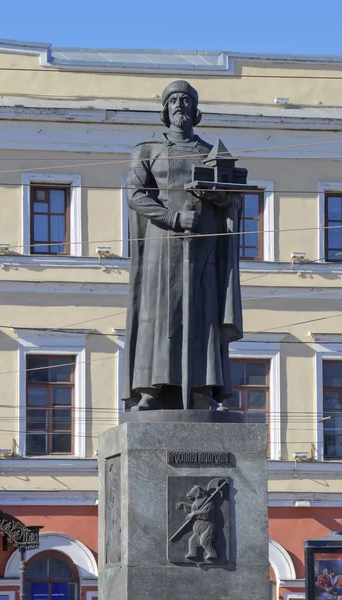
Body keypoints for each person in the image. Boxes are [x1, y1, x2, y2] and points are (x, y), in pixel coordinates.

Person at [122, 80, 243, 410]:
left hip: (203, 248)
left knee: (200, 316)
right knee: (158, 315)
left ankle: (202, 389)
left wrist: (218, 196)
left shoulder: (210, 153)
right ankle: (150, 389)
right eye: (173, 100)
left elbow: (232, 199)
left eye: (186, 100)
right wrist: (173, 219)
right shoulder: (146, 151)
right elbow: (135, 194)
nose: (179, 105)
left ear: (195, 110)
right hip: (163, 244)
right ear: (165, 110)